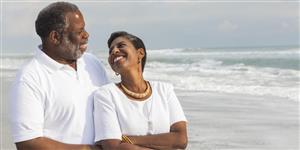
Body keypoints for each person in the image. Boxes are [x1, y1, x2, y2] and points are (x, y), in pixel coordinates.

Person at [9, 2, 109, 150]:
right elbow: (28, 143)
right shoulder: (29, 79)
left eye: (85, 29)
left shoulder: (92, 63)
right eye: (79, 31)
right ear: (55, 37)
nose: (86, 35)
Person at [93, 31, 188, 150]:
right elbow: (113, 147)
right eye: (110, 50)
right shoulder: (105, 94)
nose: (114, 51)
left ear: (140, 53)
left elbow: (181, 139)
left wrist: (128, 140)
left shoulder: (164, 90)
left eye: (121, 46)